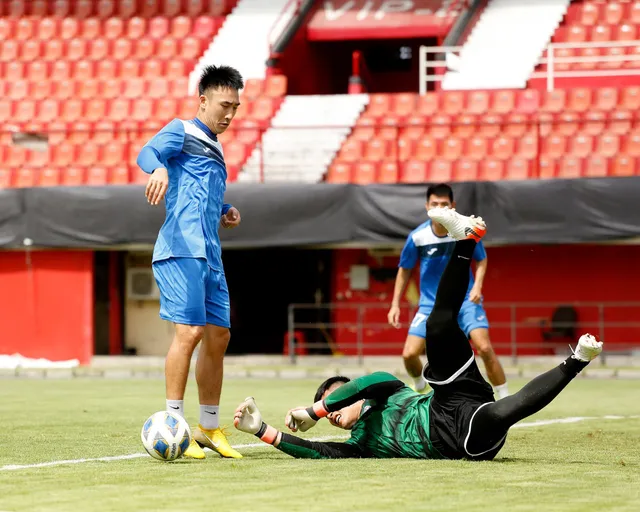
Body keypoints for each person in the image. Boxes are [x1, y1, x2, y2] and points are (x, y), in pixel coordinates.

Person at [233, 207, 603, 460]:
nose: (334, 412)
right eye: (331, 409)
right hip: (459, 439)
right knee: (506, 412)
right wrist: (262, 430)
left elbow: (372, 379)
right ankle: (575, 362)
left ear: (354, 397)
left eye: (337, 399)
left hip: (451, 396)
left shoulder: (386, 392)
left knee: (437, 325)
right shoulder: (362, 444)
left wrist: (315, 409)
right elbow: (319, 452)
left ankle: (466, 241)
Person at [136, 65, 244, 460]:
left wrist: (226, 210)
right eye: (224, 104)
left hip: (210, 254)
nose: (230, 114)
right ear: (203, 100)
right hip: (181, 249)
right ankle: (174, 423)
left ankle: (209, 427)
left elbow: (203, 197)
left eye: (235, 106)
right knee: (190, 333)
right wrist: (160, 166)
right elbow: (146, 152)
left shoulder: (217, 149)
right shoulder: (182, 129)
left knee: (219, 337)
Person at [387, 183, 509, 398]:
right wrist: (395, 303)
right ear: (427, 207)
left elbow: (481, 259)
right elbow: (404, 270)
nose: (440, 208)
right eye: (435, 204)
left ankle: (506, 398)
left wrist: (478, 286)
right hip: (429, 304)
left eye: (444, 204)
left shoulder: (463, 231)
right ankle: (419, 383)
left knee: (485, 348)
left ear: (452, 206)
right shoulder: (417, 237)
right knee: (409, 354)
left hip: (465, 301)